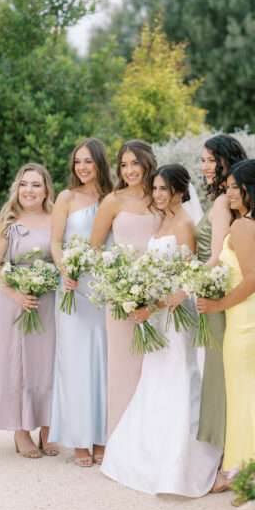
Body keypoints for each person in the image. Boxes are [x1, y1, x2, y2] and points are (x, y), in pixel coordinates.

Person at [101, 164, 221, 496]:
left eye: (164, 189)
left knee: (179, 376)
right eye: (155, 189)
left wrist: (150, 306)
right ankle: (145, 457)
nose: (157, 194)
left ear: (181, 191)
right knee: (155, 376)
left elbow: (185, 282)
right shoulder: (162, 220)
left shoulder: (183, 225)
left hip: (174, 316)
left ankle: (180, 465)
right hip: (158, 314)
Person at [197, 159, 255, 481]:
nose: (228, 191)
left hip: (248, 323)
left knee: (243, 398)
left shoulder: (241, 227)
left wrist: (217, 303)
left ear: (250, 189)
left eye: (235, 186)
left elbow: (252, 281)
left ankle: (245, 475)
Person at [0, 163, 58, 459]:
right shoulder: (5, 221)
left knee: (48, 360)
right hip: (12, 301)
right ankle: (21, 430)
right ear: (17, 188)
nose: (29, 190)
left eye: (36, 184)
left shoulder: (56, 219)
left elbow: (63, 256)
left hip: (48, 301)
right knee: (18, 362)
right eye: (24, 184)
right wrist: (15, 293)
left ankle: (49, 426)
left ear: (47, 189)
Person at [49, 139, 113, 467]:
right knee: (74, 362)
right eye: (77, 162)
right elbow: (55, 242)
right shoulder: (66, 198)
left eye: (88, 161)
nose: (82, 167)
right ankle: (79, 440)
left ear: (100, 163)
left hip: (101, 289)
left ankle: (101, 435)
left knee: (102, 360)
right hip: (73, 287)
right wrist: (65, 270)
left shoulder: (111, 199)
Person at [90, 140, 161, 436]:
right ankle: (120, 438)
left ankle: (152, 437)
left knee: (157, 367)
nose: (129, 170)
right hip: (120, 297)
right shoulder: (113, 201)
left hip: (158, 296)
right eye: (123, 164)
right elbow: (94, 248)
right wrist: (118, 286)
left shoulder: (161, 198)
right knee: (124, 366)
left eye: (135, 163)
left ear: (148, 163)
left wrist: (158, 287)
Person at [197, 135, 247, 467]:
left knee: (219, 374)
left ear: (224, 162)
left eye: (209, 160)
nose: (203, 166)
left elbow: (216, 256)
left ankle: (227, 456)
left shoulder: (220, 203)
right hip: (216, 289)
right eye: (202, 160)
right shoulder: (225, 200)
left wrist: (185, 282)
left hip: (214, 292)